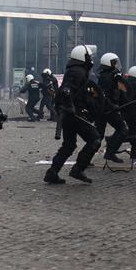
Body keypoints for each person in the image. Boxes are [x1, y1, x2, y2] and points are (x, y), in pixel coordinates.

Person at [45, 45, 101, 184]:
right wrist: (71, 107)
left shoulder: (74, 70)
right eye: (89, 57)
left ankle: (52, 173)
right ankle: (78, 169)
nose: (91, 59)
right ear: (83, 57)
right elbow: (66, 90)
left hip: (68, 114)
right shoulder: (78, 71)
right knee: (95, 140)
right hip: (72, 114)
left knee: (69, 145)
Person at [95, 53, 133, 163]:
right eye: (115, 63)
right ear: (109, 63)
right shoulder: (107, 77)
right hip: (107, 109)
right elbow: (103, 95)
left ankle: (85, 159)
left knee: (98, 135)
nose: (117, 65)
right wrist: (113, 106)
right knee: (122, 130)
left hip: (108, 109)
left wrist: (126, 104)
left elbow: (119, 92)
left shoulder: (113, 75)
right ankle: (110, 153)